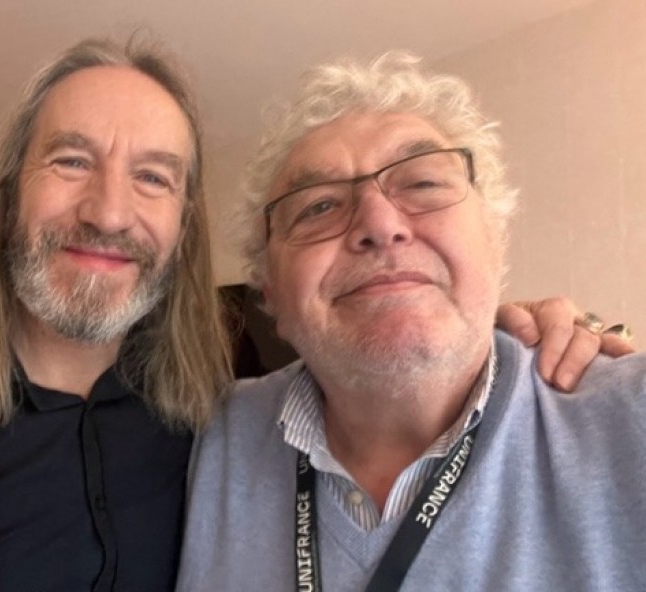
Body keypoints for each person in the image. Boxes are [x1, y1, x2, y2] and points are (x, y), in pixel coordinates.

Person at [0, 37, 624, 592]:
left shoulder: (204, 415)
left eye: (153, 176)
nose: (110, 211)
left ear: (183, 229)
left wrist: (506, 331)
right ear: (2, 200)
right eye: (71, 161)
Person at [177, 52, 643, 591]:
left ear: (495, 241)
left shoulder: (631, 419)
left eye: (422, 183)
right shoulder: (205, 437)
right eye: (319, 206)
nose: (380, 224)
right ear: (271, 291)